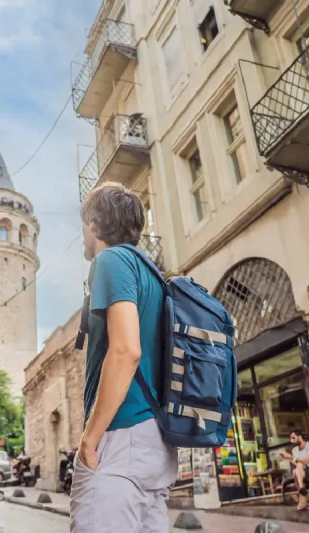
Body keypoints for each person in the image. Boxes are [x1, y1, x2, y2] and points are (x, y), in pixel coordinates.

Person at [71, 183, 177, 533]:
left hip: (121, 437)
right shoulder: (153, 275)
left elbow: (126, 350)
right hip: (155, 442)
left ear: (92, 223)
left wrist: (90, 436)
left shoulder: (111, 260)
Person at [280, 430, 309, 510]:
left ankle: (301, 491)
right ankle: (302, 491)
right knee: (295, 470)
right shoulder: (295, 450)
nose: (291, 441)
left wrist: (291, 457)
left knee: (297, 469)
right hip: (303, 473)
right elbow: (297, 465)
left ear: (300, 437)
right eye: (290, 439)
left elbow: (306, 461)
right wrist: (287, 458)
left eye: (293, 438)